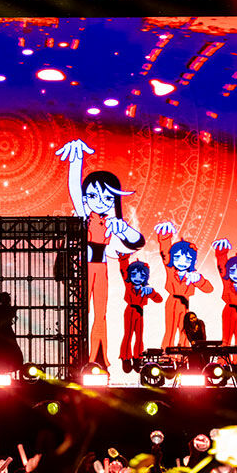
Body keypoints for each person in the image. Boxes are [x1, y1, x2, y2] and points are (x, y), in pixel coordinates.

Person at [57, 138, 144, 368]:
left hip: (101, 270)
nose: (100, 202)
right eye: (94, 196)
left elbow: (136, 242)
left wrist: (124, 229)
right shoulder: (84, 217)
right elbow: (75, 190)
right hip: (84, 270)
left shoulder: (112, 223)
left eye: (107, 198)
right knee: (79, 314)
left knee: (100, 314)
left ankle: (98, 359)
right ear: (87, 198)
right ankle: (75, 359)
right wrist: (76, 161)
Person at [155, 221, 213, 348]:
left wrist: (199, 280)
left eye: (187, 259)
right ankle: (167, 354)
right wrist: (165, 237)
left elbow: (209, 289)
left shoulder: (192, 275)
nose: (182, 262)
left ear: (193, 261)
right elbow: (165, 251)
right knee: (170, 331)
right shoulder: (171, 270)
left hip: (185, 304)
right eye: (177, 257)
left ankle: (184, 355)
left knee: (185, 332)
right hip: (172, 302)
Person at [118, 253, 163, 373]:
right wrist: (123, 258)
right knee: (128, 335)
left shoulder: (146, 289)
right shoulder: (129, 285)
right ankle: (125, 357)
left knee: (139, 336)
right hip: (130, 310)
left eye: (142, 275)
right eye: (134, 274)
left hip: (140, 312)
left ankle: (137, 357)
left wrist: (152, 292)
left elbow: (159, 299)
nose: (137, 278)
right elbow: (124, 270)